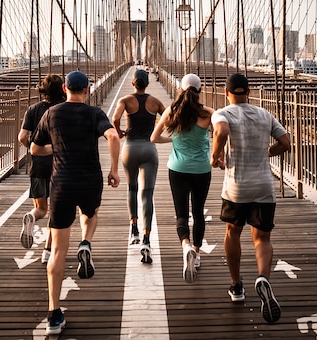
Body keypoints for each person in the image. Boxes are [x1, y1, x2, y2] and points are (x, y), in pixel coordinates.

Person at [30, 70, 120, 335]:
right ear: (88, 90)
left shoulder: (51, 113)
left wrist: (54, 149)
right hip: (89, 180)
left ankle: (54, 315)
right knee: (90, 215)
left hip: (61, 184)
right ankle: (86, 242)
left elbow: (34, 148)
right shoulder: (95, 114)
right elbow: (113, 137)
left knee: (57, 250)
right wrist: (114, 170)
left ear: (66, 88)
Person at [210, 73, 290, 323]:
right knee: (262, 238)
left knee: (232, 233)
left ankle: (236, 286)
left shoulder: (223, 113)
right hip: (264, 187)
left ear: (227, 92)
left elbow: (221, 131)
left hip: (237, 187)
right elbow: (286, 143)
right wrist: (269, 151)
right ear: (249, 92)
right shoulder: (264, 114)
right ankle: (263, 278)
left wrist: (216, 154)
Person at [151, 74, 214, 283]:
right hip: (201, 170)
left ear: (180, 89)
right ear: (200, 91)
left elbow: (153, 137)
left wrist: (173, 140)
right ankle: (196, 254)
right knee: (198, 212)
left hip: (177, 169)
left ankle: (185, 245)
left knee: (181, 213)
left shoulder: (171, 112)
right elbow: (224, 126)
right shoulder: (206, 114)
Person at [112, 69, 165, 264]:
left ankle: (133, 228)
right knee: (147, 194)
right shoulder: (155, 102)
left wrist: (120, 133)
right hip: (149, 149)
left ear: (133, 83)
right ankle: (146, 239)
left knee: (132, 188)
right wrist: (157, 133)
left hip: (130, 148)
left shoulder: (125, 100)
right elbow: (168, 117)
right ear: (147, 84)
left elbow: (115, 118)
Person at [18, 74, 66, 263]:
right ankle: (47, 253)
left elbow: (22, 137)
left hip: (37, 165)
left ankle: (31, 217)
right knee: (56, 212)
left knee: (41, 209)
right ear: (63, 89)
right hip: (60, 166)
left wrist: (33, 149)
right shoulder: (64, 110)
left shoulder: (33, 109)